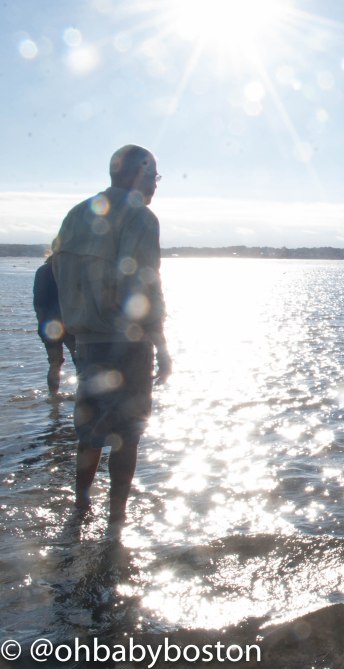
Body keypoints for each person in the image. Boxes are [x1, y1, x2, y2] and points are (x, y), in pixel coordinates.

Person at [51, 144, 172, 522]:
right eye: (152, 176)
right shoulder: (140, 216)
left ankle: (80, 506)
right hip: (128, 344)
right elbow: (143, 284)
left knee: (89, 432)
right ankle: (116, 521)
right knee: (128, 435)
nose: (155, 185)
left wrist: (72, 330)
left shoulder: (76, 215)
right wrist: (162, 346)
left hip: (86, 341)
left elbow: (57, 273)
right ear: (135, 175)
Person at [33, 253, 77, 394]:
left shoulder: (42, 271)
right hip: (69, 322)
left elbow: (38, 302)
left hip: (49, 325)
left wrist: (41, 324)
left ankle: (54, 399)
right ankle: (82, 396)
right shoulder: (70, 270)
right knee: (79, 360)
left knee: (54, 363)